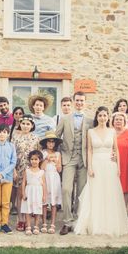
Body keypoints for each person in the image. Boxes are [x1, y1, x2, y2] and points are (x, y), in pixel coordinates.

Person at [74, 106, 128, 237]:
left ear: (108, 117)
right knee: (96, 193)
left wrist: (118, 167)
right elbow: (89, 150)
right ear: (97, 117)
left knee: (110, 193)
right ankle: (95, 223)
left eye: (105, 115)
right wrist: (89, 167)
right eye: (100, 115)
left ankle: (110, 223)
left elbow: (116, 150)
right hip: (96, 164)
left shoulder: (112, 131)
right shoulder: (90, 132)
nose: (102, 118)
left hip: (110, 165)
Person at [55, 92, 92, 235]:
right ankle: (67, 221)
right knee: (66, 189)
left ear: (85, 102)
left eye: (82, 101)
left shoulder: (90, 120)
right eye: (77, 100)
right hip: (68, 158)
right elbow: (56, 137)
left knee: (81, 192)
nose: (79, 103)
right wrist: (57, 155)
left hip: (84, 159)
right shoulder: (64, 119)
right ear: (73, 101)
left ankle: (78, 220)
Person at [12, 114, 40, 231]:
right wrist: (13, 170)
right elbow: (11, 155)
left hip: (31, 171)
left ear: (32, 125)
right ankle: (20, 219)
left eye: (28, 124)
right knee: (20, 195)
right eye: (23, 123)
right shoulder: (15, 137)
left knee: (31, 194)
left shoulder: (36, 138)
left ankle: (30, 219)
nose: (25, 126)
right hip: (19, 169)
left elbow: (39, 155)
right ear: (20, 124)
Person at [40, 131, 62, 234]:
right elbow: (41, 168)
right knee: (44, 201)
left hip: (54, 178)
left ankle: (52, 223)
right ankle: (44, 222)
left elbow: (59, 169)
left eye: (53, 142)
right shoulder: (43, 153)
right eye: (49, 142)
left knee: (54, 202)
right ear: (46, 143)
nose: (51, 144)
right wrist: (46, 159)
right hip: (45, 178)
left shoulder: (58, 154)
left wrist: (56, 162)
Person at [113, 112, 128, 207]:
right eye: (116, 119)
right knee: (113, 187)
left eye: (120, 120)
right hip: (112, 164)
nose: (118, 121)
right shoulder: (110, 132)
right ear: (113, 121)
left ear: (124, 122)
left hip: (126, 164)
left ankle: (123, 211)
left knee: (125, 188)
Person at [21, 150, 46, 235]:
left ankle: (36, 226)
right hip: (29, 191)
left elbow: (44, 185)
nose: (34, 161)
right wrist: (23, 193)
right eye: (32, 159)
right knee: (28, 209)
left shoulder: (41, 172)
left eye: (36, 159)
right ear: (29, 160)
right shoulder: (27, 170)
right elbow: (24, 182)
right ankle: (28, 226)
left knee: (37, 209)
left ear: (40, 160)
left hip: (38, 192)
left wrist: (44, 196)